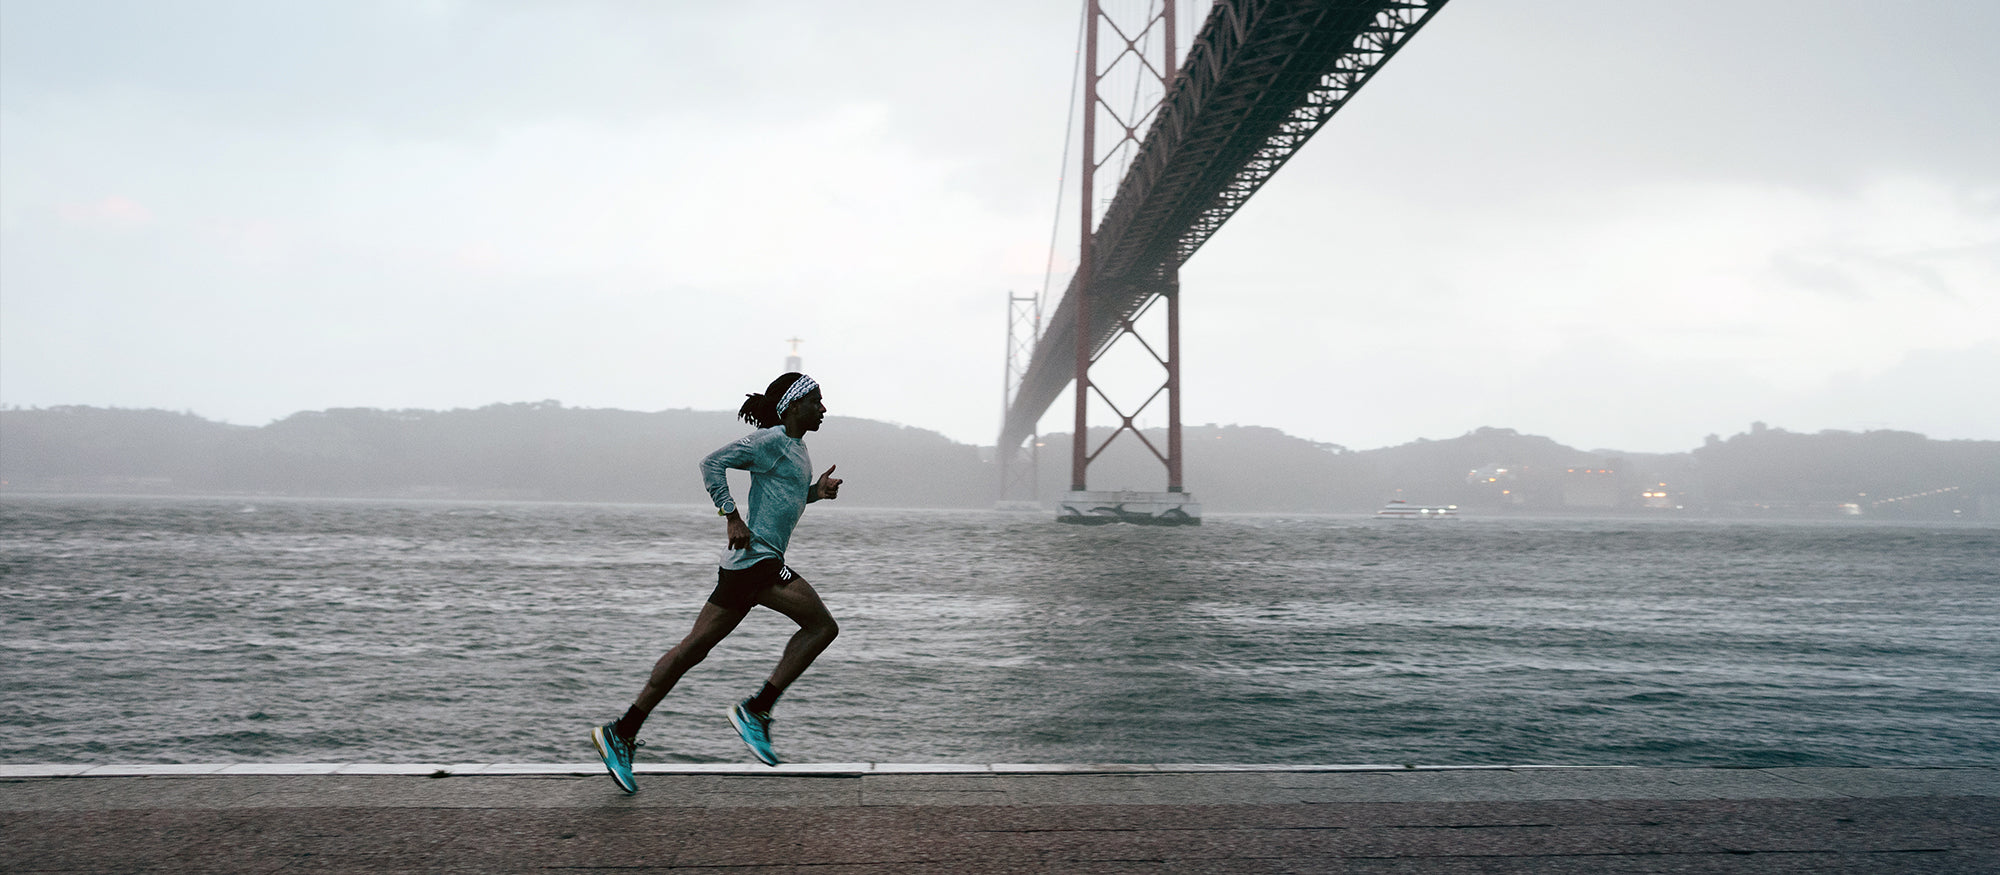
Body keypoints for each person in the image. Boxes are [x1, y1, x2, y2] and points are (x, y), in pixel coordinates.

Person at [591, 372, 843, 793]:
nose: (824, 408)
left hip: (745, 565)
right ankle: (756, 711)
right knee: (822, 627)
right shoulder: (771, 441)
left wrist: (816, 492)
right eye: (817, 401)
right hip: (757, 561)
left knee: (693, 649)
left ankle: (622, 730)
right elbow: (712, 463)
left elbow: (787, 499)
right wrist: (731, 515)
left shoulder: (797, 451)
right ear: (794, 406)